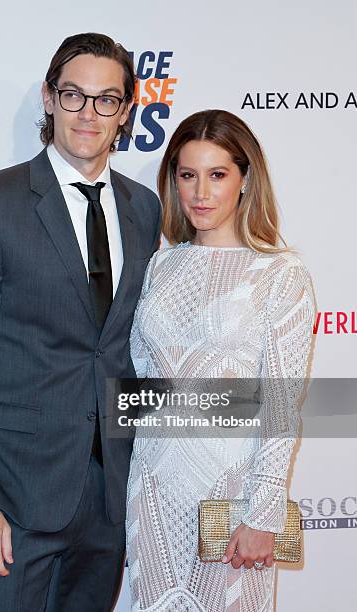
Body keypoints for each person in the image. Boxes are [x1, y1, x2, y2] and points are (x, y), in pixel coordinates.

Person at [0, 32, 161, 612]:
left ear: (126, 110)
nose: (89, 113)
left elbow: (132, 349)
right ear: (48, 97)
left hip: (109, 496)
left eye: (106, 99)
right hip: (14, 496)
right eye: (74, 95)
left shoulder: (145, 209)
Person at [126, 109, 315, 611]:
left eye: (217, 175)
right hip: (153, 487)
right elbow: (144, 379)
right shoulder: (161, 264)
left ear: (245, 179)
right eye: (187, 175)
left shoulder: (280, 274)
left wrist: (264, 513)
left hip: (232, 492)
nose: (200, 193)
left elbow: (279, 403)